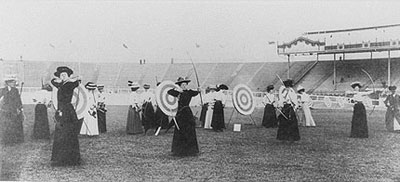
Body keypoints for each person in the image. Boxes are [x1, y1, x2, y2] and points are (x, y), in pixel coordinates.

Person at [50, 66, 81, 166]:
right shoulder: (62, 84)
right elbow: (52, 81)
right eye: (61, 75)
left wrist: (75, 79)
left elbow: (76, 83)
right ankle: (61, 157)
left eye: (65, 75)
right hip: (61, 109)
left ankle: (69, 158)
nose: (63, 76)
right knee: (61, 132)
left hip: (67, 110)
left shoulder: (69, 84)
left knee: (68, 132)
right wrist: (61, 79)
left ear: (68, 76)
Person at [167, 76, 200, 156]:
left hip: (187, 112)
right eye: (182, 84)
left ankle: (191, 150)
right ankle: (179, 150)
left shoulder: (189, 92)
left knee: (189, 129)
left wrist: (199, 90)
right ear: (180, 85)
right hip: (180, 113)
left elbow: (196, 92)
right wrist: (177, 89)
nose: (184, 86)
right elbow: (169, 91)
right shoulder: (178, 92)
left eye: (185, 84)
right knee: (180, 129)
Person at [0, 74, 24, 146]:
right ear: (8, 83)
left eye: (14, 82)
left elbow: (18, 100)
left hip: (14, 110)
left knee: (14, 124)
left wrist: (20, 108)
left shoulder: (15, 90)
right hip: (5, 111)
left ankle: (14, 140)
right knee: (6, 125)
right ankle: (6, 140)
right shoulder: (2, 90)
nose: (14, 83)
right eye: (13, 82)